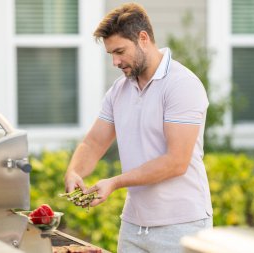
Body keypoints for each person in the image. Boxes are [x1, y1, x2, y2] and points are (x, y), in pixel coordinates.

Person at [64, 2, 213, 252]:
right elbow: (93, 143)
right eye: (111, 53)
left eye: (120, 51)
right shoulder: (119, 91)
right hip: (133, 226)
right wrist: (74, 172)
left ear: (143, 38)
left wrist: (115, 182)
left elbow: (176, 161)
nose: (115, 61)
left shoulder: (182, 85)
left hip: (182, 226)